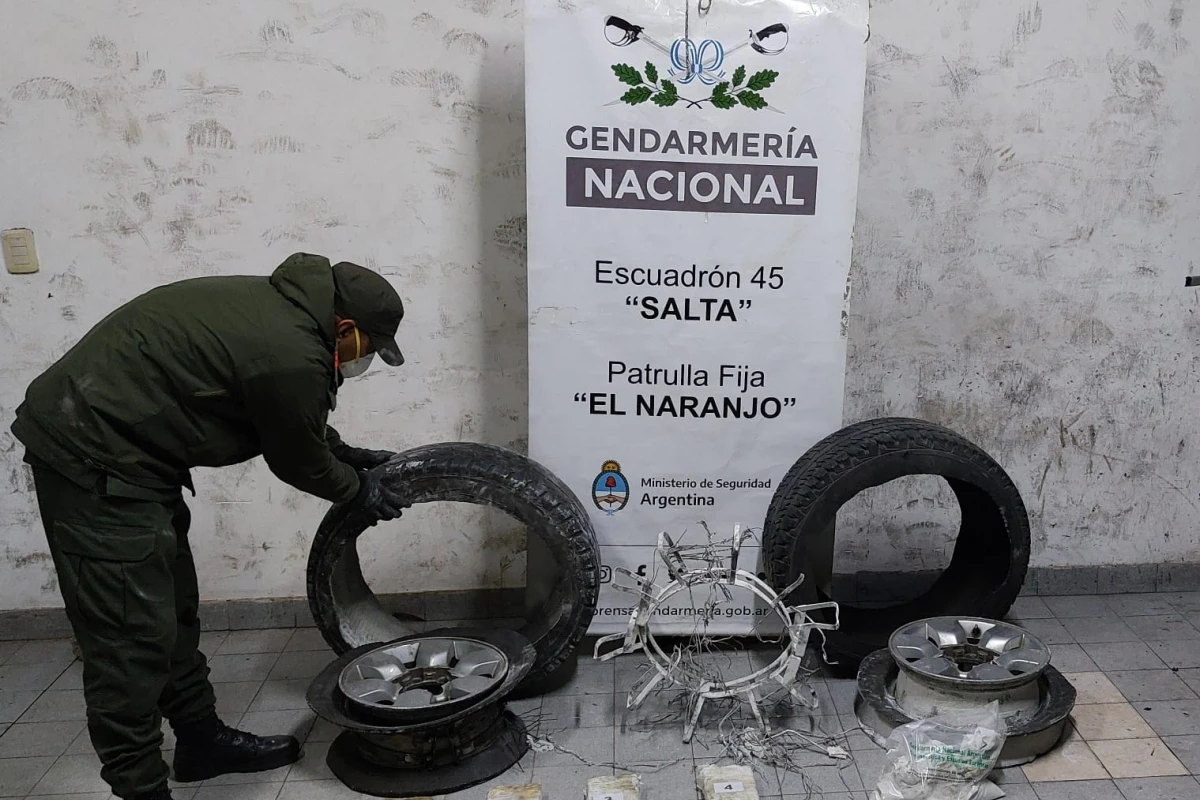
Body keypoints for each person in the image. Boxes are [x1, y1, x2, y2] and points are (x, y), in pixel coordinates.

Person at [9, 253, 412, 800]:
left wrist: (348, 454)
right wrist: (359, 490)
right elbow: (296, 458)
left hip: (137, 460)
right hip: (93, 459)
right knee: (129, 641)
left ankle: (200, 742)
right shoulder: (291, 348)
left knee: (171, 609)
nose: (359, 361)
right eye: (364, 348)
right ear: (345, 328)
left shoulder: (286, 315)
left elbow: (285, 422)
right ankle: (142, 790)